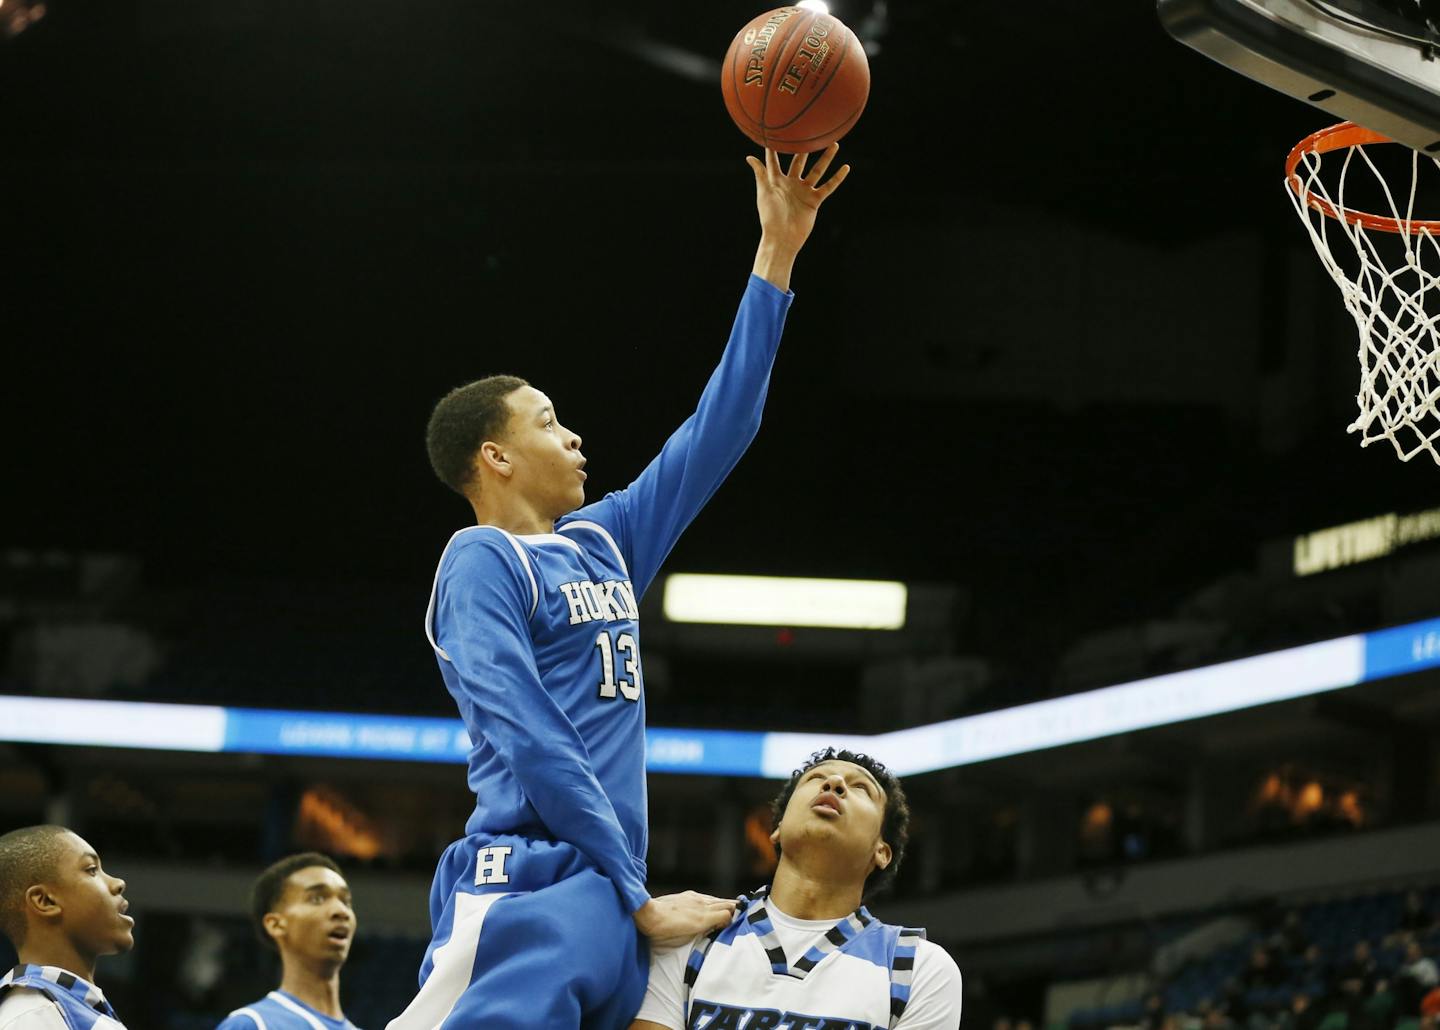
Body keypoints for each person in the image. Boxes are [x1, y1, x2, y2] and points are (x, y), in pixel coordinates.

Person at [391, 143, 851, 1029]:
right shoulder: (481, 560)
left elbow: (724, 426)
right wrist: (632, 889)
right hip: (530, 877)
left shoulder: (604, 540)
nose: (574, 437)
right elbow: (531, 733)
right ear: (494, 457)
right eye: (548, 422)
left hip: (612, 892)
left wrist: (778, 256)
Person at [629, 748, 963, 1030]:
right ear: (776, 830)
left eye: (861, 788)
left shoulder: (919, 966)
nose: (834, 783)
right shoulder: (694, 935)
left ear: (882, 851)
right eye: (816, 779)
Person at [0, 825, 132, 1030]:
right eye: (91, 870)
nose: (118, 883)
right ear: (44, 901)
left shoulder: (59, 1009)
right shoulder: (33, 1016)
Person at [216, 853, 359, 1030]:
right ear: (275, 924)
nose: (341, 911)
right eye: (317, 899)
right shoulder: (251, 1024)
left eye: (346, 901)